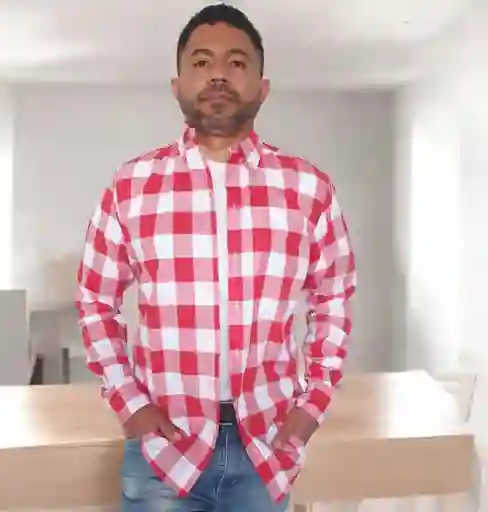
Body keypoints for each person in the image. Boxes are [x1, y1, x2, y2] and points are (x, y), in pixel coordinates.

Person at [75, 4, 357, 511]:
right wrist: (130, 404)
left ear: (262, 87)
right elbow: (96, 300)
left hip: (267, 446)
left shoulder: (309, 189)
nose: (218, 75)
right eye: (201, 62)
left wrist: (312, 405)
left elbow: (333, 300)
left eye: (237, 62)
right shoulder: (131, 186)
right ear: (177, 84)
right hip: (165, 450)